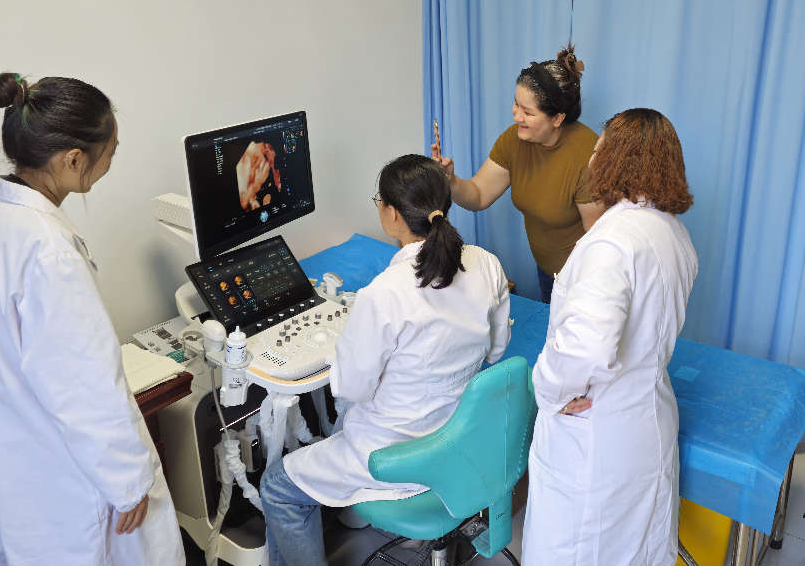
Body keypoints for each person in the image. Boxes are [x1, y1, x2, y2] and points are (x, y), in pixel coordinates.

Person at [0, 73, 185, 566]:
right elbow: (83, 383)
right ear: (73, 159)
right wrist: (128, 481)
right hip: (71, 476)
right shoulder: (49, 250)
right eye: (111, 153)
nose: (110, 164)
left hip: (18, 465)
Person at [259, 154, 511, 566]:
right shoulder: (487, 264)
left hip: (397, 454)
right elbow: (496, 350)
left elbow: (351, 388)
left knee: (276, 486)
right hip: (459, 438)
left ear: (391, 213)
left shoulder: (383, 293)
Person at [521, 108, 698, 566]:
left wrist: (549, 390)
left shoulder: (611, 241)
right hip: (648, 420)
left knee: (580, 550)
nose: (591, 159)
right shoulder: (673, 232)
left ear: (618, 160)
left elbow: (585, 345)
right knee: (637, 548)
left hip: (597, 436)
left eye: (598, 150)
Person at [431, 44, 605, 303]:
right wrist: (451, 181)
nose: (516, 117)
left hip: (582, 280)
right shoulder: (515, 140)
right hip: (548, 271)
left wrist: (581, 292)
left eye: (528, 112)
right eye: (516, 104)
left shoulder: (588, 158)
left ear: (557, 118)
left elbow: (599, 241)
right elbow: (479, 195)